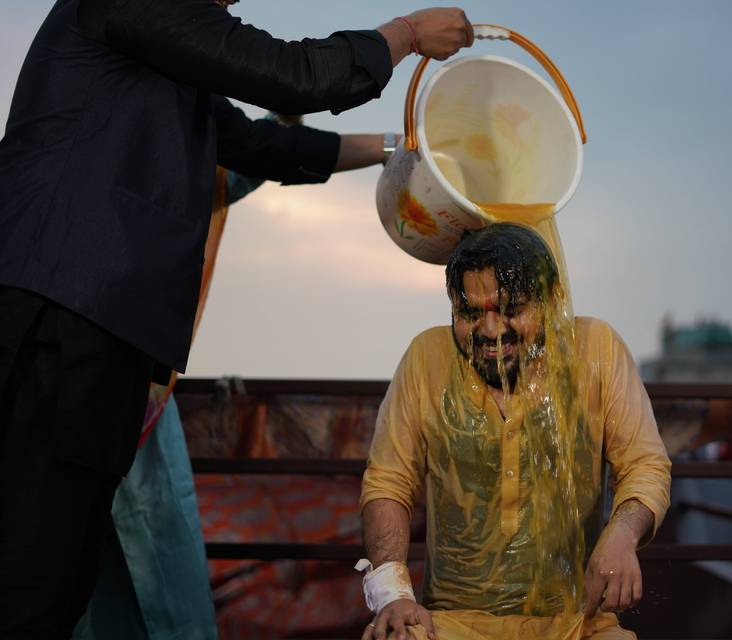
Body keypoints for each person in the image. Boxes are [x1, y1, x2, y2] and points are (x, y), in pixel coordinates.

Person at [0, 1, 473, 636]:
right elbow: (291, 74)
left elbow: (260, 144)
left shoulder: (166, 62)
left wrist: (402, 148)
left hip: (98, 335)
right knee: (31, 576)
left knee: (57, 573)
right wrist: (407, 35)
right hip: (56, 319)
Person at [359, 223, 672, 640]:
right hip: (453, 623)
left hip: (576, 623)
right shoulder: (426, 357)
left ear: (551, 300)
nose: (491, 331)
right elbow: (389, 481)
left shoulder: (596, 350)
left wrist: (622, 534)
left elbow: (645, 464)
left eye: (511, 310)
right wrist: (392, 595)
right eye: (471, 313)